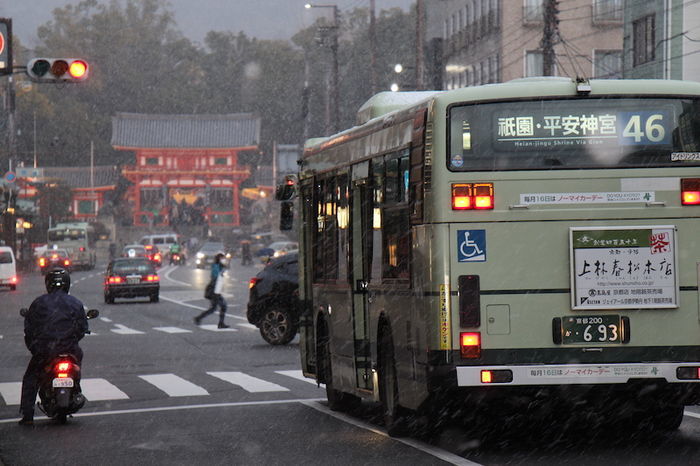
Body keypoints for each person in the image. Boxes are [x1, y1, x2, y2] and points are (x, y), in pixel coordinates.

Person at [19, 268, 88, 426]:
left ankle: (27, 415)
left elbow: (29, 329)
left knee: (31, 378)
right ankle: (75, 387)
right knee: (79, 358)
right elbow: (82, 328)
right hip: (70, 348)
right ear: (67, 284)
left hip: (45, 349)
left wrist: (36, 347)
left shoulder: (39, 303)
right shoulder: (75, 303)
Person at [194, 253, 229, 328]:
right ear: (219, 259)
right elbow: (215, 277)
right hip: (214, 290)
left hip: (215, 290)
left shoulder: (220, 267)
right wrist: (216, 292)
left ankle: (198, 318)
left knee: (214, 308)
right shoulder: (216, 266)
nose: (224, 260)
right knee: (222, 306)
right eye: (222, 259)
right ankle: (220, 323)